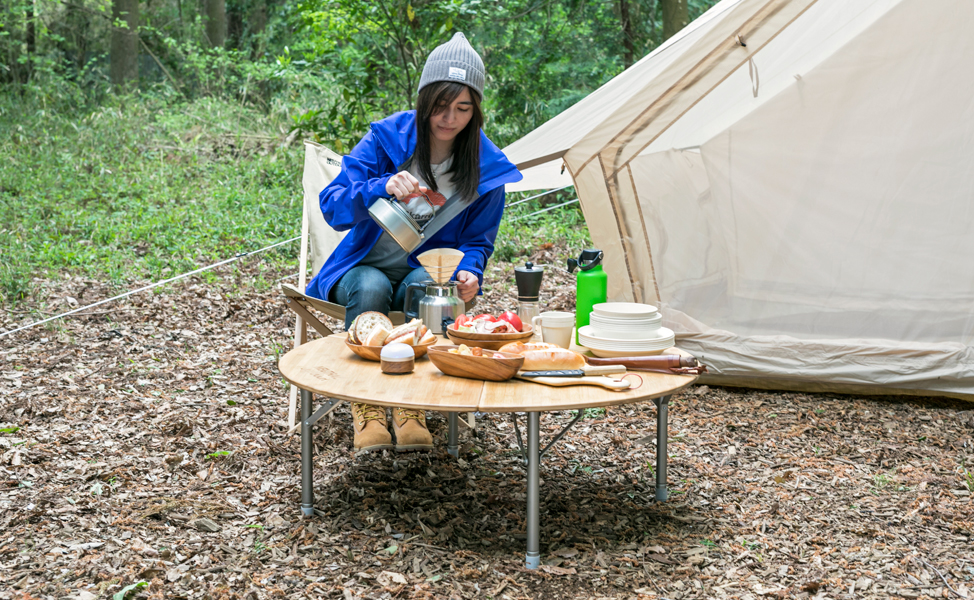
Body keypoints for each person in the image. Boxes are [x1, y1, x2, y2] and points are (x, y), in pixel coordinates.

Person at [305, 32, 523, 453]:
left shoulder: (486, 168)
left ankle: (411, 407)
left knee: (429, 290)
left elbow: (478, 241)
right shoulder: (388, 140)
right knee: (372, 287)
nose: (450, 118)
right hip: (361, 264)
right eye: (441, 106)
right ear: (425, 101)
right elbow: (332, 206)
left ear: (476, 111)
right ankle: (366, 408)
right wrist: (380, 185)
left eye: (463, 108)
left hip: (427, 267)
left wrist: (471, 271)